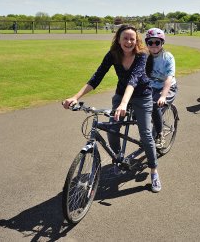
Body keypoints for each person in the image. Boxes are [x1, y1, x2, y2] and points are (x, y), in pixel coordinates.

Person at [62, 25, 161, 193]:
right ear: (118, 39)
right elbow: (97, 76)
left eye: (132, 39)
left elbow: (134, 79)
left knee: (145, 133)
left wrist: (123, 104)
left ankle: (154, 171)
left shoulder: (142, 55)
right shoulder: (113, 55)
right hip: (121, 93)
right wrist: (75, 97)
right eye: (125, 38)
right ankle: (117, 159)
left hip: (142, 95)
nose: (129, 42)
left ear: (136, 41)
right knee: (112, 129)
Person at [145, 28, 178, 148]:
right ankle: (147, 132)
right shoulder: (145, 57)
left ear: (162, 43)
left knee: (155, 106)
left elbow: (169, 79)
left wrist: (163, 96)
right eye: (150, 42)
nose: (154, 45)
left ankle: (160, 134)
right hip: (152, 87)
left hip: (168, 87)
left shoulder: (167, 57)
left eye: (157, 42)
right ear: (147, 44)